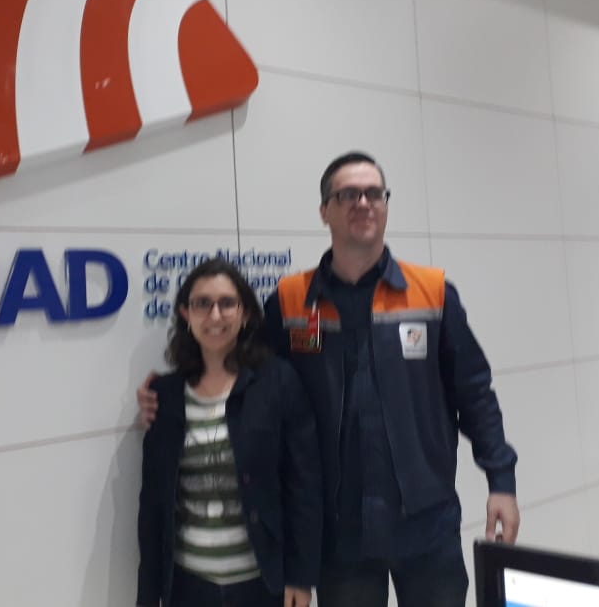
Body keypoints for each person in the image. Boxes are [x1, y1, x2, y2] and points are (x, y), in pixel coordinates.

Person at [139, 152, 519, 607]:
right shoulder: (291, 300)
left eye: (374, 193)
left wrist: (501, 480)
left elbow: (474, 392)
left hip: (426, 524)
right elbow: (243, 368)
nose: (363, 203)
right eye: (348, 195)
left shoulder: (432, 292)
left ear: (386, 205)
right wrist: (170, 391)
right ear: (324, 211)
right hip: (339, 537)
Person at [136, 258, 322, 607]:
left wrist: (300, 576)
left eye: (227, 303)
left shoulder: (277, 382)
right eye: (202, 304)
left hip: (262, 585)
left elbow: (304, 486)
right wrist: (148, 595)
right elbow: (154, 506)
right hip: (189, 587)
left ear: (245, 313)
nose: (215, 315)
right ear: (185, 314)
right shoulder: (165, 395)